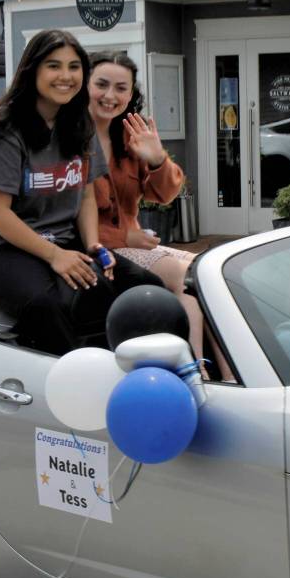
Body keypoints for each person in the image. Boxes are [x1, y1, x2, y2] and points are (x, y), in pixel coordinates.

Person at [0, 30, 163, 355]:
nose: (66, 76)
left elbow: (83, 194)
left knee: (145, 287)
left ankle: (133, 370)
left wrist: (93, 244)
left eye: (74, 67)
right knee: (48, 304)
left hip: (62, 239)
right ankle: (77, 379)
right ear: (32, 71)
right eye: (54, 66)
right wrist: (56, 257)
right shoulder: (1, 131)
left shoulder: (78, 123)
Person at [88, 51, 233, 380]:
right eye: (102, 84)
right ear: (85, 86)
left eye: (121, 88)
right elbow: (68, 216)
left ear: (130, 94)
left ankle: (230, 371)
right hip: (98, 247)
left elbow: (165, 193)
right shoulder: (68, 140)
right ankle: (197, 370)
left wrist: (156, 159)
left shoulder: (130, 134)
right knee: (188, 279)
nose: (111, 96)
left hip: (135, 245)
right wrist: (125, 237)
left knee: (208, 269)